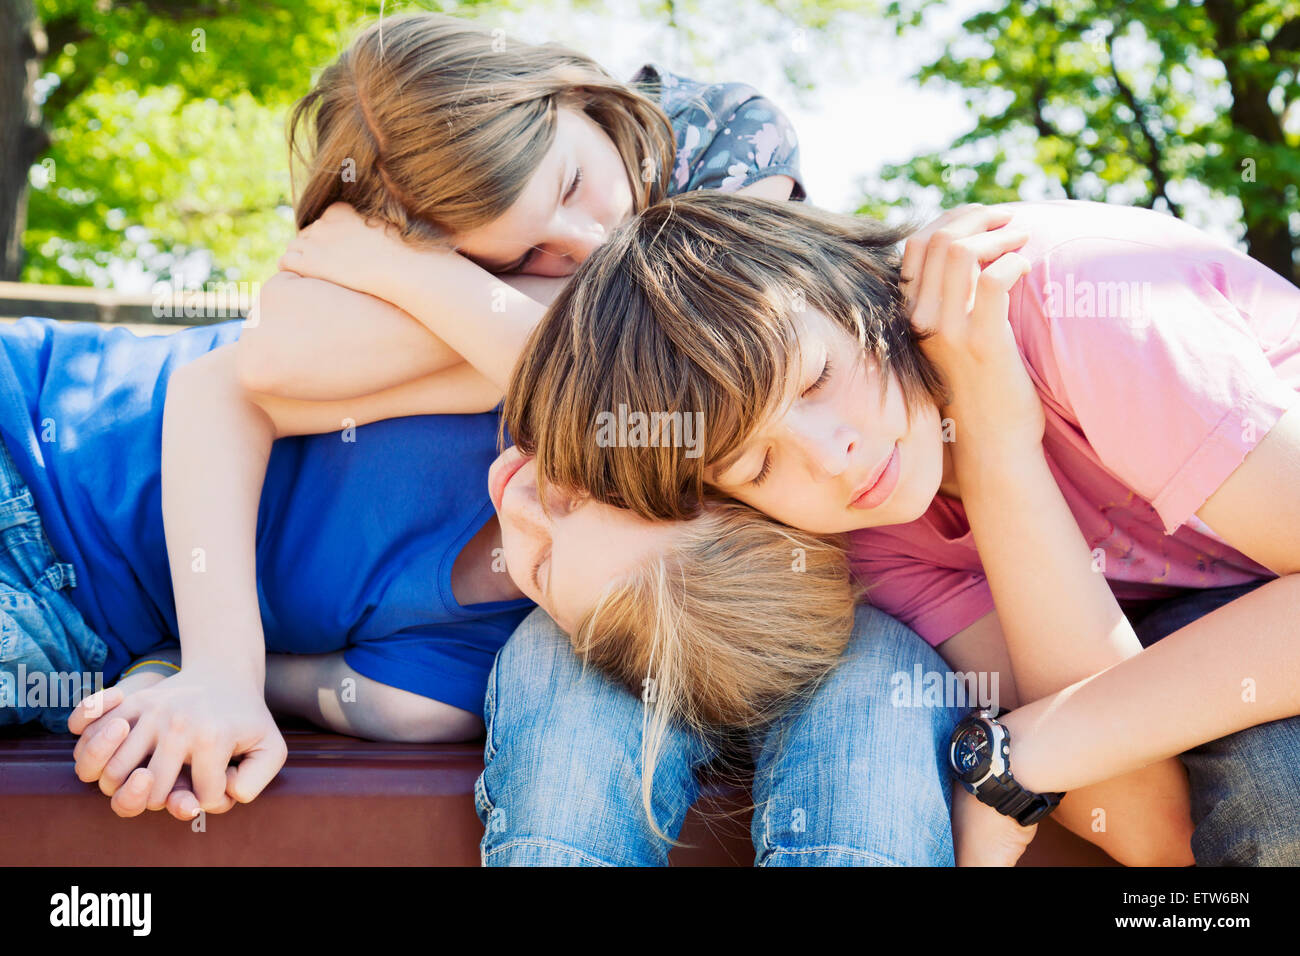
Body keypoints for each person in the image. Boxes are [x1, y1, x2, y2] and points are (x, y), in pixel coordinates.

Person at [65, 12, 962, 863]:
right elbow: (267, 361)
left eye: (571, 185)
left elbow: (654, 374)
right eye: (524, 258)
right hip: (678, 587)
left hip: (758, 584)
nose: (590, 242)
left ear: (576, 92)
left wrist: (407, 272)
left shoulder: (720, 141)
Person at [502, 189, 1300, 866]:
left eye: (816, 378)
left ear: (847, 289)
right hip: (1232, 616)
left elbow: (1080, 751)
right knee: (1272, 796)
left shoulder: (1066, 302)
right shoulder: (874, 536)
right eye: (758, 465)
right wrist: (996, 449)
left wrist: (1029, 753)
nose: (833, 458)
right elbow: (1147, 826)